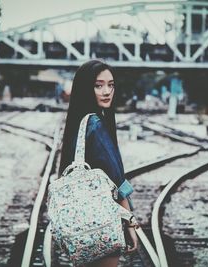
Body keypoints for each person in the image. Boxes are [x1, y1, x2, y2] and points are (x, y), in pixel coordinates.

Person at [59, 59, 138, 267]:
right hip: (102, 224)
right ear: (87, 88)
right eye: (98, 85)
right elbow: (118, 182)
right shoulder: (95, 124)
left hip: (81, 226)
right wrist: (131, 224)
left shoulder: (78, 122)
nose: (106, 91)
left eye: (111, 85)